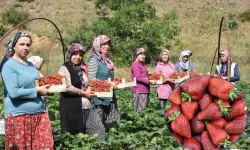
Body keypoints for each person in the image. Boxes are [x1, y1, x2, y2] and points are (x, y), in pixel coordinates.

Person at [1, 31, 53, 149]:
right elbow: (13, 93)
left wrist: (53, 86)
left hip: (39, 114)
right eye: (22, 44)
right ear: (14, 46)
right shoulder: (9, 66)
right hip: (19, 116)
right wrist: (37, 91)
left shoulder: (30, 65)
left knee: (46, 146)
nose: (25, 48)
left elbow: (40, 82)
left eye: (28, 45)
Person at [58, 43, 105, 140]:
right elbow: (67, 87)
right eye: (75, 54)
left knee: (99, 130)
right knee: (75, 136)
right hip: (71, 108)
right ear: (70, 54)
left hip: (87, 106)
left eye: (80, 55)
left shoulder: (81, 70)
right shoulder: (64, 68)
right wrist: (84, 93)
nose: (78, 57)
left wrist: (98, 88)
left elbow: (87, 84)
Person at [88, 35, 120, 141]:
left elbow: (110, 80)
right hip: (99, 99)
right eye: (104, 44)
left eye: (108, 44)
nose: (107, 46)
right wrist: (108, 84)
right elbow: (91, 80)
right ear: (97, 45)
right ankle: (99, 146)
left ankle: (111, 145)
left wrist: (115, 84)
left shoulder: (107, 62)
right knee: (99, 129)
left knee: (112, 125)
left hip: (110, 98)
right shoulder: (94, 60)